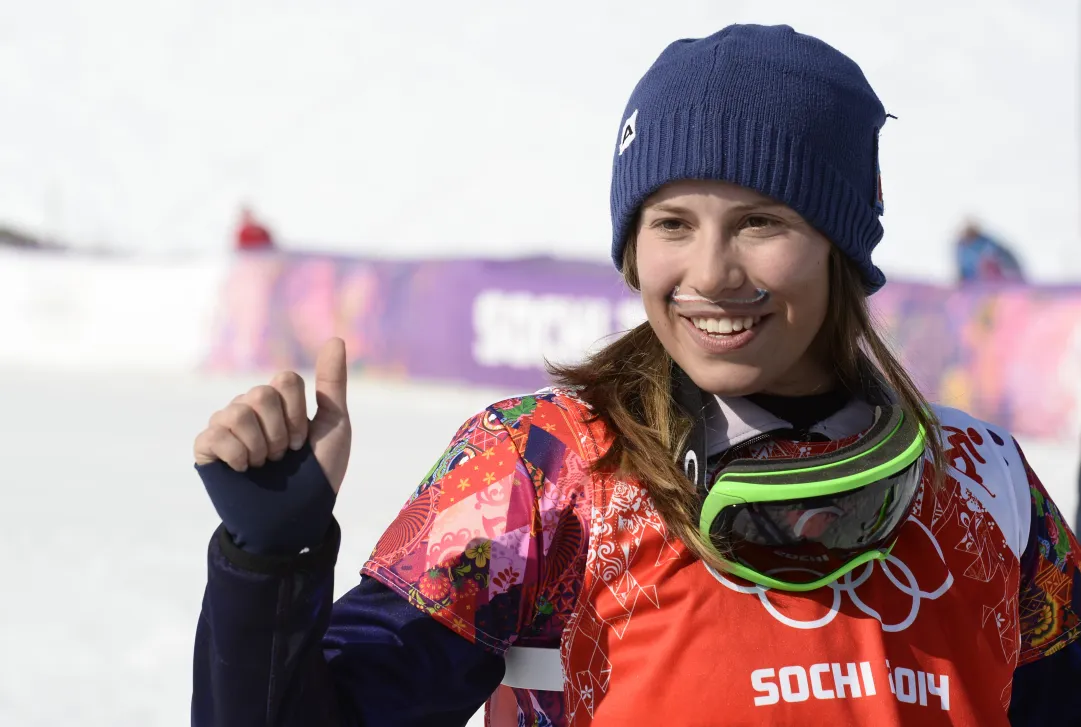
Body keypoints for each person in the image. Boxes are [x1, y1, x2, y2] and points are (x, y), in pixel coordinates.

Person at [190, 25, 1081, 726]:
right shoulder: (543, 469)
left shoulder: (981, 480)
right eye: (670, 223)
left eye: (761, 220)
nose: (709, 273)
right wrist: (271, 559)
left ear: (839, 243)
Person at [955, 221, 1025, 284]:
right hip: (972, 285)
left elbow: (999, 260)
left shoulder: (987, 243)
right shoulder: (962, 247)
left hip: (994, 283)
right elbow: (962, 270)